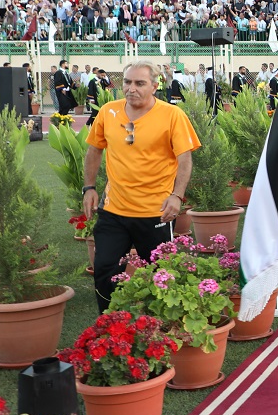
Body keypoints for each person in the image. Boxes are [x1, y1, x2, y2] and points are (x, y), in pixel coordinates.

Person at [82, 61, 200, 313]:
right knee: (104, 270)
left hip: (155, 212)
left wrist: (177, 196)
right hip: (114, 211)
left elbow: (185, 159)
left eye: (139, 83)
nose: (131, 88)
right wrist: (89, 187)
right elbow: (94, 150)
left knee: (161, 276)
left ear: (155, 86)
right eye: (127, 82)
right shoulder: (108, 111)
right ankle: (109, 322)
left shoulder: (172, 115)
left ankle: (161, 326)